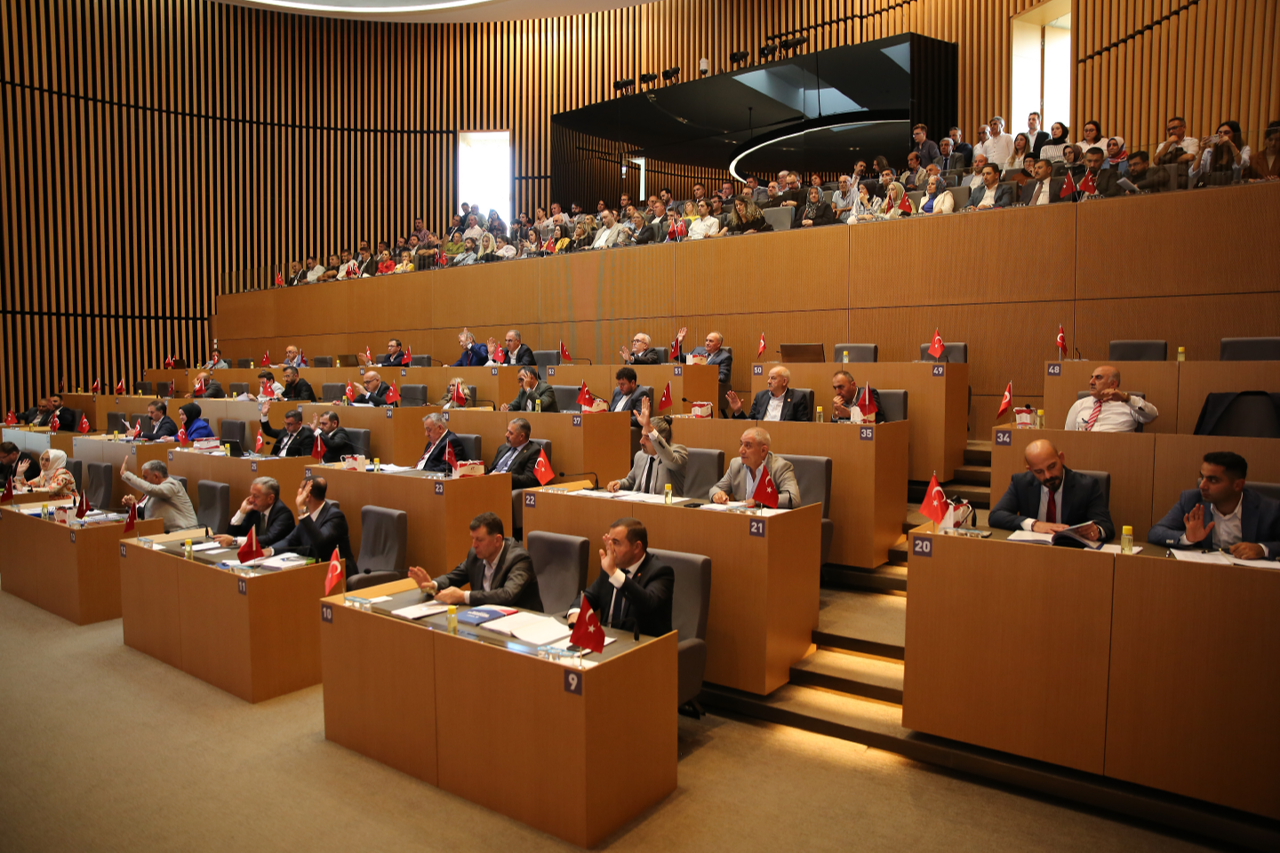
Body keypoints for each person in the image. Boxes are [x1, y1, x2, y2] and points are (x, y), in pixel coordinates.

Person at [1149, 451, 1280, 558]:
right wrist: (1187, 538)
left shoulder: (1269, 509)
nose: (1202, 485)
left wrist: (1262, 549)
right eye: (1202, 477)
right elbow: (1156, 533)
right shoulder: (1191, 500)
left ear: (1238, 485)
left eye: (1213, 480)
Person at [988, 439, 1114, 542]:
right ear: (1030, 470)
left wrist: (1097, 531)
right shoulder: (1021, 483)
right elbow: (996, 516)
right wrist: (1034, 524)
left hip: (1071, 553)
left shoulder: (1086, 486)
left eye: (1052, 466)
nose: (1048, 476)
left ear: (1061, 458)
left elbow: (1106, 526)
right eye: (1039, 471)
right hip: (1032, 550)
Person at [566, 517, 673, 637]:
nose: (610, 549)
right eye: (609, 542)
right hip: (608, 641)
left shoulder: (660, 572)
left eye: (616, 543)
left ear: (637, 547)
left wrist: (614, 574)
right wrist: (575, 612)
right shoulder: (611, 567)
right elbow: (589, 596)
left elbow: (647, 604)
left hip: (643, 644)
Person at [408, 512, 541, 608]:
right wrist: (433, 585)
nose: (474, 545)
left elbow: (507, 595)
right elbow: (453, 577)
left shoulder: (519, 559)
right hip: (486, 619)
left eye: (480, 540)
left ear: (497, 540)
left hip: (522, 622)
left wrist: (464, 596)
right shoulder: (475, 555)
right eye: (473, 539)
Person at [264, 478, 358, 574]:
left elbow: (320, 543)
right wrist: (269, 551)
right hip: (315, 570)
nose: (298, 491)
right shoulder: (308, 517)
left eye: (300, 488)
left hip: (336, 572)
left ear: (307, 496)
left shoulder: (335, 516)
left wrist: (302, 510)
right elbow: (290, 540)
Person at [609, 400, 687, 497]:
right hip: (640, 503)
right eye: (642, 436)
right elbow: (631, 481)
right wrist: (619, 483)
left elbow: (672, 462)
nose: (641, 441)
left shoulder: (678, 452)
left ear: (662, 440)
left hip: (666, 504)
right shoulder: (640, 455)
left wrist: (650, 429)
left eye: (647, 437)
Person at [710, 427, 799, 508]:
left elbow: (793, 498)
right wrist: (717, 495)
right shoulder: (736, 464)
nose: (741, 450)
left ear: (763, 450)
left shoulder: (781, 467)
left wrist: (757, 501)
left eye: (748, 446)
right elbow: (716, 488)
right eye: (741, 444)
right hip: (741, 517)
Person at [1063, 365, 1159, 431]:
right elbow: (1069, 434)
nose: (1091, 382)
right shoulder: (1079, 404)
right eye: (1092, 377)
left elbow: (1152, 415)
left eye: (1098, 377)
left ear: (1113, 384)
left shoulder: (1128, 404)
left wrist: (1127, 399)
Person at [211, 476, 297, 548]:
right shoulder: (254, 510)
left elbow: (269, 539)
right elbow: (232, 534)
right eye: (251, 495)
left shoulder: (283, 514)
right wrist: (242, 512)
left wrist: (235, 541)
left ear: (270, 498)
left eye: (256, 496)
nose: (251, 500)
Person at [119, 458, 198, 532]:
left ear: (156, 476)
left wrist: (126, 474)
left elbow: (150, 489)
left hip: (185, 532)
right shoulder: (156, 490)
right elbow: (148, 512)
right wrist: (134, 504)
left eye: (145, 477)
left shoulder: (172, 485)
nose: (144, 481)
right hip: (165, 532)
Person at [727, 365, 812, 422]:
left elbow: (803, 426)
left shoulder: (797, 398)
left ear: (784, 381)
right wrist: (738, 411)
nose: (769, 381)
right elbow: (751, 423)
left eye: (773, 378)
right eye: (769, 378)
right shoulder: (761, 396)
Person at [487, 418, 545, 489]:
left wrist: (504, 477)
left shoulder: (534, 451)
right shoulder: (503, 448)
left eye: (511, 433)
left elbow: (530, 480)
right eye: (507, 431)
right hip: (489, 482)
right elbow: (492, 469)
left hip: (505, 487)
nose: (506, 435)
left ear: (521, 436)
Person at [1196, 120, 1251, 184]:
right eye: (1220, 133)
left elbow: (1242, 164)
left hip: (1232, 186)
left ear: (1235, 135)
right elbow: (1193, 173)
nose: (1222, 135)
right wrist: (1202, 150)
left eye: (1226, 133)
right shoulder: (1209, 152)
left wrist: (1231, 145)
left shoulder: (1244, 149)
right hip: (1211, 185)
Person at [1154, 115, 1200, 187]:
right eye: (1169, 129)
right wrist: (1168, 144)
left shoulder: (1192, 141)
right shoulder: (1163, 145)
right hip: (1166, 176)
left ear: (1184, 128)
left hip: (1187, 175)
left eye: (1174, 128)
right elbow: (1156, 161)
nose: (1171, 131)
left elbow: (1190, 156)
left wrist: (1166, 159)